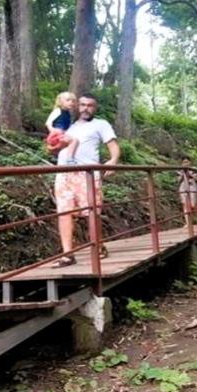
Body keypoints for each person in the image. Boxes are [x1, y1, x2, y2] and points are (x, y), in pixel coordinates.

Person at [52, 93, 121, 268]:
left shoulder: (101, 124)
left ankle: (98, 246)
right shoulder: (66, 124)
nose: (85, 108)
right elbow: (52, 148)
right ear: (77, 106)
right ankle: (67, 254)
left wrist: (113, 161)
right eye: (82, 105)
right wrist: (57, 145)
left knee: (92, 212)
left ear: (95, 108)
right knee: (64, 212)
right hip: (64, 173)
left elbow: (113, 146)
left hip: (87, 174)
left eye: (90, 105)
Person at [45, 91, 79, 161]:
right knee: (74, 141)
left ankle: (62, 157)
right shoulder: (57, 111)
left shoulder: (68, 113)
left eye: (73, 101)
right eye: (68, 100)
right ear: (61, 102)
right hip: (56, 135)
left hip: (63, 134)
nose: (71, 102)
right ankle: (69, 159)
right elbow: (48, 123)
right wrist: (53, 131)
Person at [177, 156, 197, 227]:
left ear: (190, 162)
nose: (185, 163)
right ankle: (188, 222)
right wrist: (182, 174)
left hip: (192, 186)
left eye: (187, 162)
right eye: (184, 162)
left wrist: (191, 174)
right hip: (183, 187)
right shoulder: (180, 170)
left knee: (193, 205)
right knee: (185, 204)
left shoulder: (194, 169)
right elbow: (178, 180)